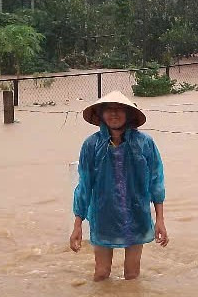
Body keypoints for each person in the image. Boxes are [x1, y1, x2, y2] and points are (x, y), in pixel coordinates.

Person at [69, 91, 168, 280]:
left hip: (137, 214)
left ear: (129, 114)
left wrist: (160, 220)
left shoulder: (144, 143)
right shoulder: (91, 145)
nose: (114, 114)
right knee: (101, 272)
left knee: (132, 274)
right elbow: (84, 185)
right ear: (101, 114)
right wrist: (78, 225)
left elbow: (156, 182)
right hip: (103, 215)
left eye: (119, 109)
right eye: (108, 110)